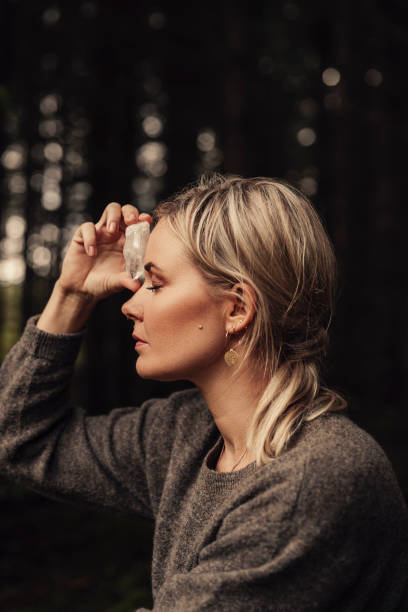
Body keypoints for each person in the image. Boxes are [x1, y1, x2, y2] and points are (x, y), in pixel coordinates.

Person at [0, 173, 407, 611]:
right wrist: (72, 295)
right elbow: (22, 439)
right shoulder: (187, 432)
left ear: (237, 309)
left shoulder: (316, 478)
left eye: (155, 284)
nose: (130, 303)